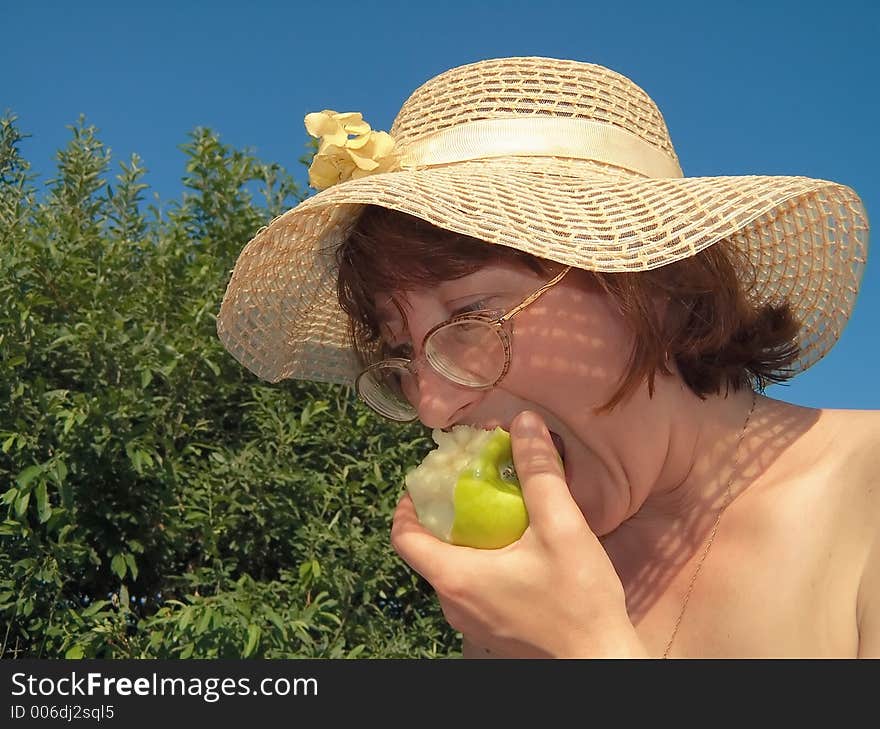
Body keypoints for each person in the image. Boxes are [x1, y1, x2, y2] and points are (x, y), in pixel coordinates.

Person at [217, 56, 876, 658]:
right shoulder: (520, 593)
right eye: (400, 357)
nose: (433, 406)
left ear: (658, 284)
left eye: (471, 319)